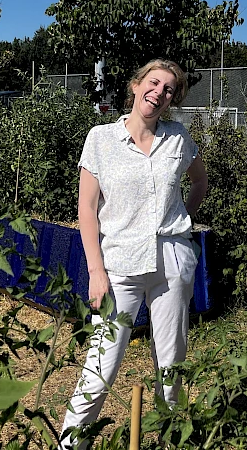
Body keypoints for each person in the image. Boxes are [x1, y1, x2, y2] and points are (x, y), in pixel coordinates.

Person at [61, 59, 207, 449]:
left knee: (171, 365)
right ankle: (71, 444)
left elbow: (200, 182)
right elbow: (86, 209)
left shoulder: (178, 137)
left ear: (173, 100)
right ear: (136, 85)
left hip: (171, 262)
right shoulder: (101, 138)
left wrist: (182, 218)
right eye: (153, 83)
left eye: (169, 89)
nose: (159, 93)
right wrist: (96, 271)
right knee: (100, 367)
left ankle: (169, 439)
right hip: (119, 266)